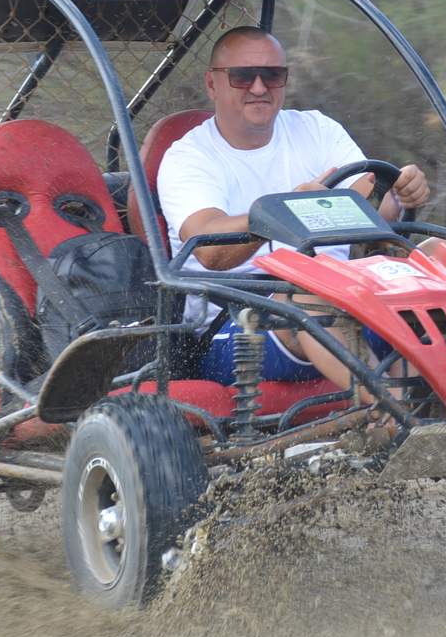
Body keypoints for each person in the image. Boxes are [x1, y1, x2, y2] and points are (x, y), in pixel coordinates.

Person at [156, 26, 431, 392]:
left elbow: (374, 207)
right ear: (212, 84)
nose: (259, 87)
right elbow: (209, 249)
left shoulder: (316, 129)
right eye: (242, 77)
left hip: (348, 298)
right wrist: (284, 210)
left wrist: (399, 189)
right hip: (241, 323)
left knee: (442, 259)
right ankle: (398, 414)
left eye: (272, 75)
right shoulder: (188, 157)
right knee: (310, 296)